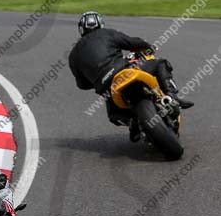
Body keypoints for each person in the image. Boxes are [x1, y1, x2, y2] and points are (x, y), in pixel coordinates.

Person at [68, 12, 194, 140]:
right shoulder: (106, 33)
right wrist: (147, 47)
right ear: (100, 23)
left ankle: (131, 121)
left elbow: (82, 85)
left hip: (108, 88)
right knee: (160, 63)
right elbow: (132, 42)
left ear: (81, 29)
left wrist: (96, 79)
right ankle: (172, 96)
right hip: (124, 70)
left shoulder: (73, 55)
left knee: (113, 115)